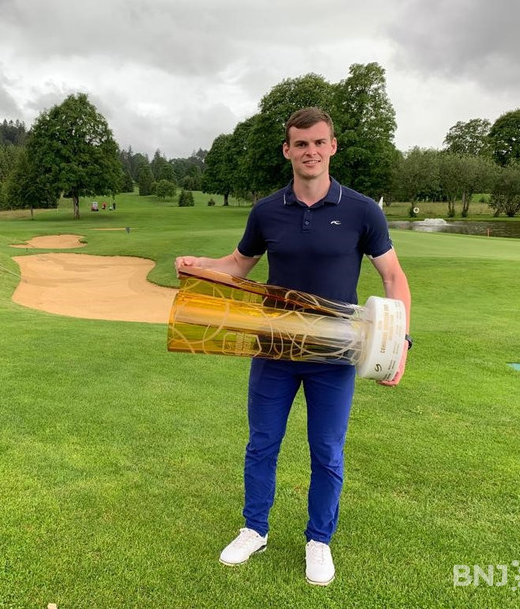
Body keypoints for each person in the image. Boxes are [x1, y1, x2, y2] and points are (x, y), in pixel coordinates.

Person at [174, 107, 411, 586]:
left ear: (332, 146)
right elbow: (239, 264)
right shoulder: (267, 210)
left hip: (334, 355)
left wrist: (399, 342)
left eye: (319, 142)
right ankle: (254, 529)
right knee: (262, 444)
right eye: (301, 144)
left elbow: (393, 276)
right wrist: (203, 265)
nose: (311, 151)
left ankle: (318, 540)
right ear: (288, 150)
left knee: (327, 451)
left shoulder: (362, 210)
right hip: (274, 351)